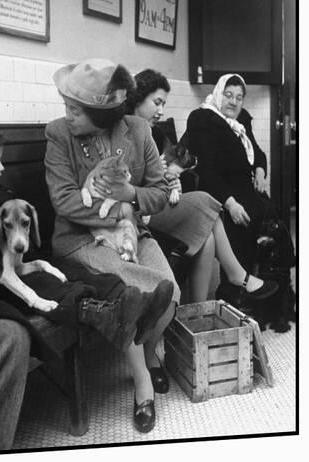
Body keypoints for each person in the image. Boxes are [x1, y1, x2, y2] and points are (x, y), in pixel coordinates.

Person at [0, 122, 163, 450]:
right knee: (52, 285)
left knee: (74, 276)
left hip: (23, 265)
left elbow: (24, 239)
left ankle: (121, 299)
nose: (2, 167)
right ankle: (107, 312)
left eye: (1, 159)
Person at [45, 58, 179, 434]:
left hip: (130, 233)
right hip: (79, 240)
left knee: (171, 293)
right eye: (67, 107)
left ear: (100, 115)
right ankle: (143, 385)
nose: (68, 115)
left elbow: (159, 192)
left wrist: (131, 195)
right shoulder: (58, 134)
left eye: (76, 110)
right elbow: (65, 201)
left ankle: (150, 353)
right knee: (133, 293)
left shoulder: (137, 130)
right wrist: (120, 208)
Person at [126, 68, 278, 303]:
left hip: (159, 200)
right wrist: (164, 181)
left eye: (163, 104)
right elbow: (132, 182)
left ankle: (200, 311)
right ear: (138, 98)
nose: (161, 111)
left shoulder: (153, 132)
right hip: (140, 209)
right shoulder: (124, 132)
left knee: (206, 239)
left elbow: (160, 172)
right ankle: (237, 275)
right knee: (209, 204)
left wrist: (170, 178)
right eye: (157, 103)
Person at [185, 73, 293, 296]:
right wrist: (231, 204)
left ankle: (273, 291)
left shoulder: (241, 120)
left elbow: (259, 154)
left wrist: (261, 172)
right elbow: (206, 171)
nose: (233, 102)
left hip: (247, 190)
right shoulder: (202, 119)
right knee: (246, 220)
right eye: (228, 95)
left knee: (275, 219)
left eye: (239, 97)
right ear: (218, 93)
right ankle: (235, 292)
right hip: (220, 192)